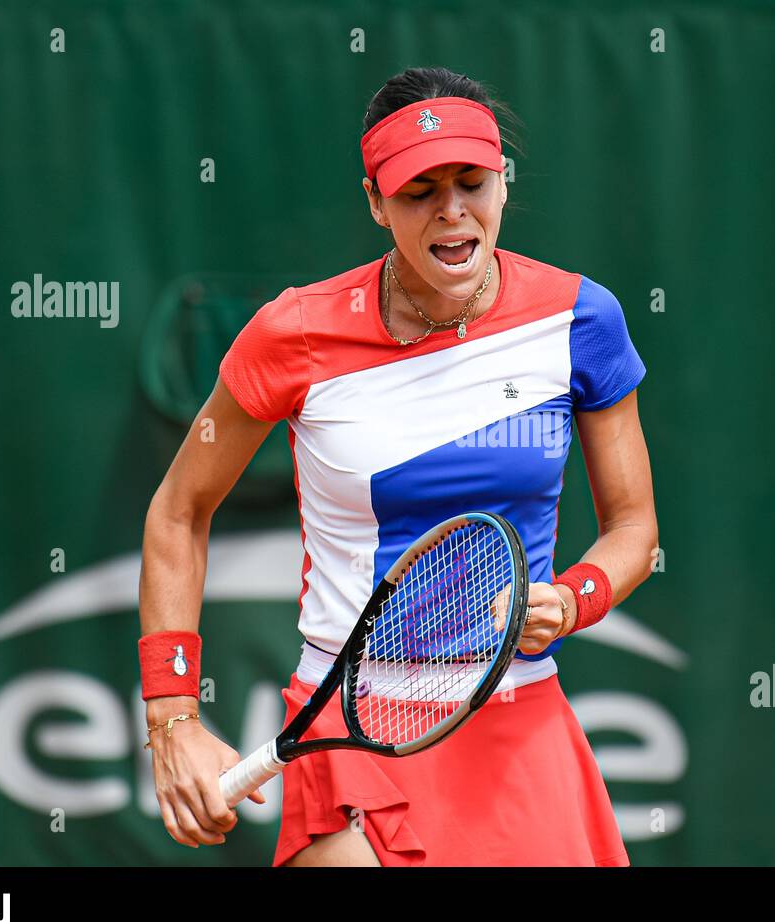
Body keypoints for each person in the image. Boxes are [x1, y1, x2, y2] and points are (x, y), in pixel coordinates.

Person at [138, 66, 658, 866]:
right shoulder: (294, 335)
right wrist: (172, 717)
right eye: (419, 190)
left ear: (502, 184)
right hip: (349, 725)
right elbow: (179, 510)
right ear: (376, 203)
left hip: (517, 715)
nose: (452, 211)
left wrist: (572, 598)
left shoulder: (581, 320)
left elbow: (633, 529)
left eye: (471, 182)